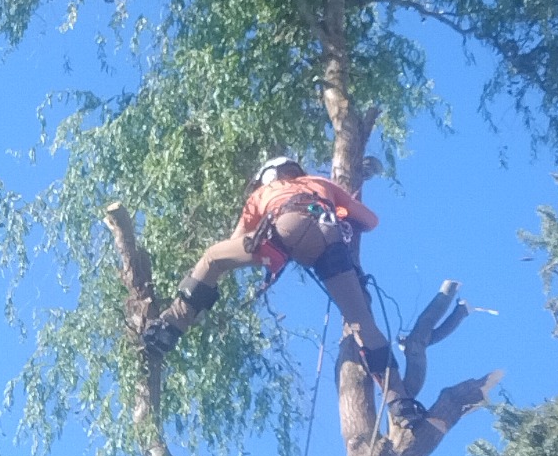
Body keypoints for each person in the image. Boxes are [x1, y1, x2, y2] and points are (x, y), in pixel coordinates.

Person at [140, 156, 428, 426]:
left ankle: (170, 326)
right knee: (361, 322)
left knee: (213, 258)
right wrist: (344, 210)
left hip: (287, 228)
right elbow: (370, 221)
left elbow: (236, 242)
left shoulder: (263, 193)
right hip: (332, 243)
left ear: (269, 175)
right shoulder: (321, 183)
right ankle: (400, 402)